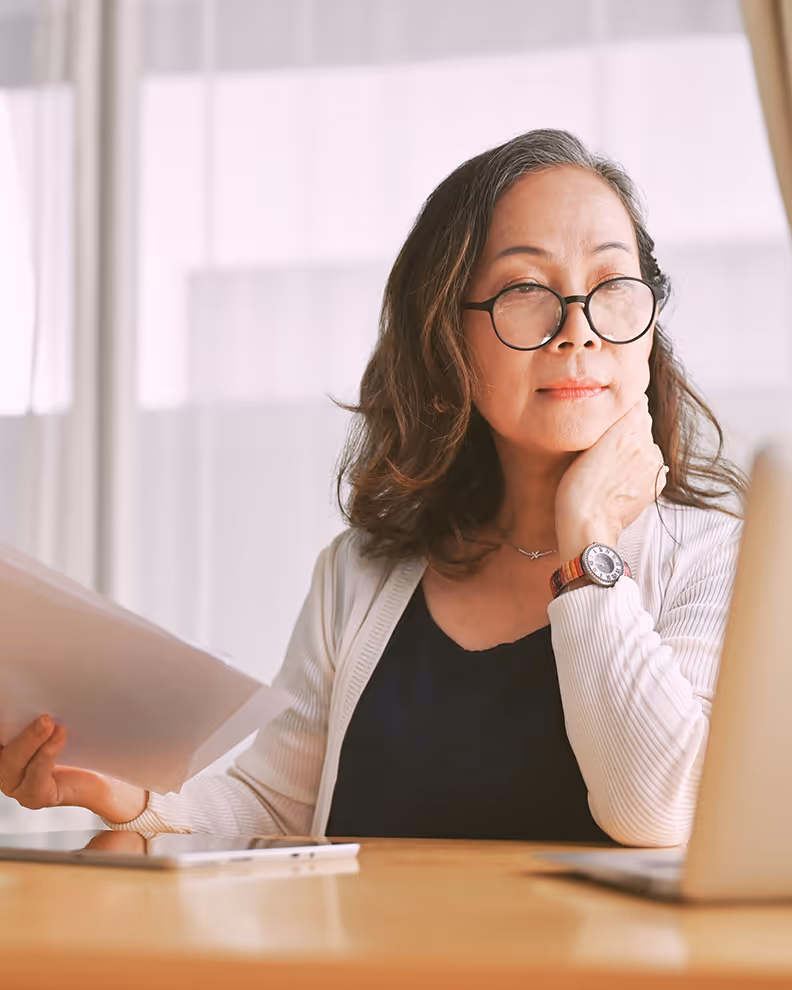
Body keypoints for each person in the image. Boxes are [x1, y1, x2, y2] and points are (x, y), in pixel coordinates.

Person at [0, 129, 745, 847]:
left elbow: (660, 809)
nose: (578, 330)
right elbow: (271, 809)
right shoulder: (359, 575)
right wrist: (126, 794)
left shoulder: (718, 560)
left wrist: (589, 541)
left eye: (613, 285)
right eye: (526, 288)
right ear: (447, 335)